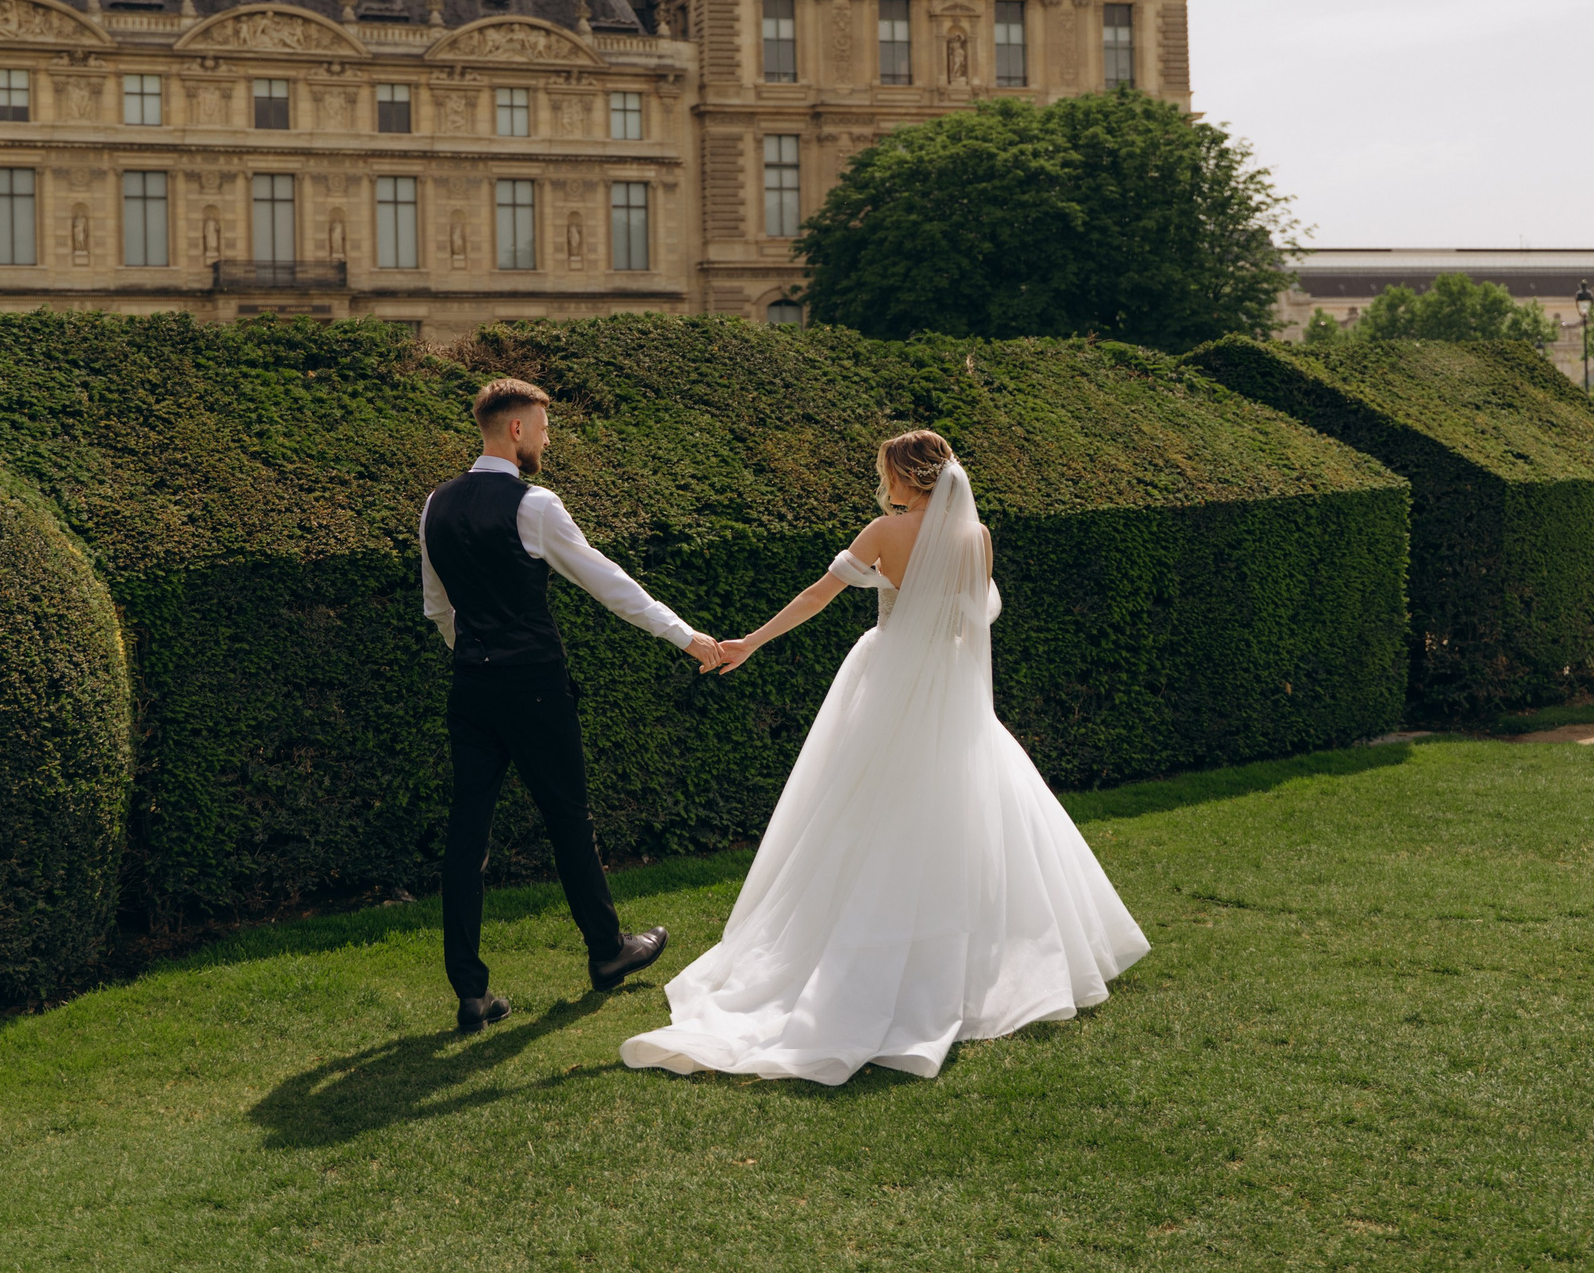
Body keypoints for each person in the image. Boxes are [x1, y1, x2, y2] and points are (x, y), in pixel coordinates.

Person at [620, 431, 1150, 1085]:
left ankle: (865, 942)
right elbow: (973, 623)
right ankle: (976, 956)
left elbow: (817, 596)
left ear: (906, 476)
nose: (883, 483)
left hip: (890, 675)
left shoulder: (884, 531)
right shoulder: (976, 537)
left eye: (885, 472)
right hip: (951, 682)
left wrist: (750, 642)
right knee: (964, 807)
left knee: (866, 807)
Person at [421, 377, 723, 1034]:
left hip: (470, 685)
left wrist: (475, 654)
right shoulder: (534, 505)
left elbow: (438, 607)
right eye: (543, 427)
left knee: (467, 835)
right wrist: (686, 636)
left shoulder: (435, 504)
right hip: (533, 685)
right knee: (567, 819)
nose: (548, 440)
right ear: (517, 429)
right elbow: (609, 582)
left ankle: (471, 992)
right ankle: (607, 951)